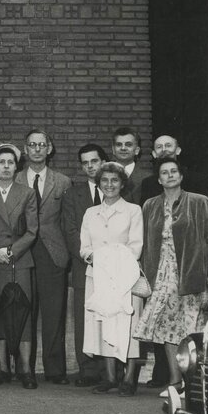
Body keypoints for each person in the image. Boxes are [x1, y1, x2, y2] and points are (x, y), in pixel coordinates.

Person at [134, 156, 208, 393]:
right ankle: (175, 382)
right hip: (161, 276)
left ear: (181, 175)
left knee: (190, 330)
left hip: (190, 275)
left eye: (174, 171)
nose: (170, 175)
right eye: (165, 172)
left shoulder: (199, 202)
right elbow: (146, 243)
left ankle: (195, 384)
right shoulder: (149, 206)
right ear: (159, 179)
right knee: (167, 329)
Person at [79, 161, 144, 396]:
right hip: (97, 277)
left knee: (129, 326)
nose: (109, 185)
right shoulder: (90, 213)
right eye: (104, 180)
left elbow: (136, 246)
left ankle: (128, 379)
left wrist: (111, 260)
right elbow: (84, 248)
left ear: (122, 184)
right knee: (102, 323)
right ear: (99, 184)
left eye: (114, 180)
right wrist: (95, 257)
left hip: (125, 278)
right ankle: (108, 377)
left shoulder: (133, 211)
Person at [14, 128, 72, 384]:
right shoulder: (14, 179)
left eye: (41, 145)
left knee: (53, 312)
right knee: (23, 310)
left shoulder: (63, 181)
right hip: (23, 251)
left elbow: (67, 220)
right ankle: (22, 367)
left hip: (52, 252)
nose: (36, 149)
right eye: (31, 145)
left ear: (49, 149)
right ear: (25, 150)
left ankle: (55, 369)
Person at [0, 144, 38, 389]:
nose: (6, 166)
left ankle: (26, 369)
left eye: (10, 162)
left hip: (19, 261)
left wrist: (11, 251)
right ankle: (4, 369)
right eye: (1, 162)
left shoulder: (27, 193)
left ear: (17, 167)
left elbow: (32, 230)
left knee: (22, 313)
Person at [61, 143, 109, 387]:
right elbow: (70, 231)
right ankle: (87, 369)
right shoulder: (73, 194)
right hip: (85, 266)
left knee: (109, 317)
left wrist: (109, 260)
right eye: (85, 162)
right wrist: (90, 257)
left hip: (113, 269)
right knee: (85, 318)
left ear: (103, 162)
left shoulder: (117, 191)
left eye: (95, 161)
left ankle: (110, 369)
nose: (90, 166)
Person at [110, 127, 151, 205]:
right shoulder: (103, 176)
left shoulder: (148, 178)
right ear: (113, 150)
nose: (123, 148)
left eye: (128, 145)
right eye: (119, 144)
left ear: (137, 150)